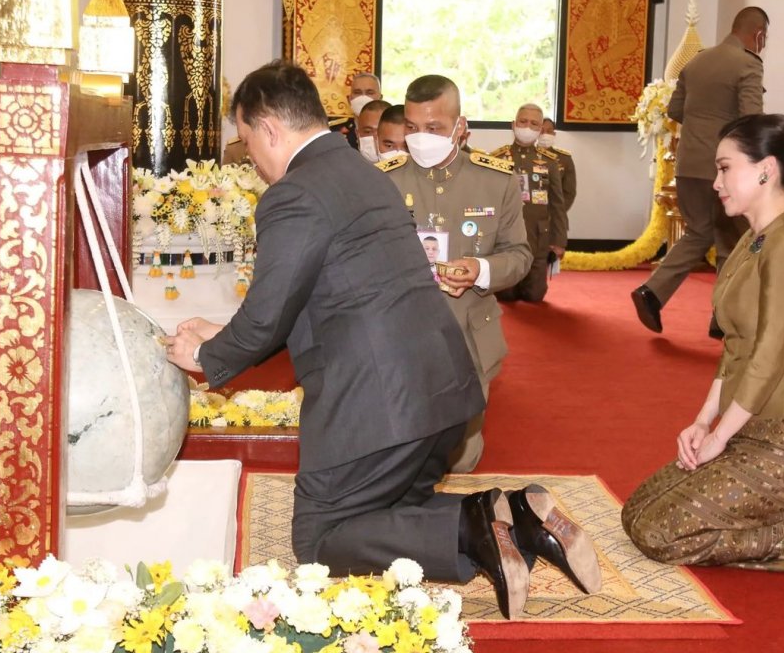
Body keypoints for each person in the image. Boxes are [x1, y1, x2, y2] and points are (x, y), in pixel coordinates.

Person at [164, 60, 600, 617]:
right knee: (389, 514)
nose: (252, 160)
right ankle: (517, 516)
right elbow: (329, 297)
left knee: (320, 539)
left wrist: (205, 354)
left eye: (249, 143)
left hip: (382, 409)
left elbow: (273, 312)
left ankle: (477, 526)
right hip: (441, 393)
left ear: (269, 128)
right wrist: (226, 331)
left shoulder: (295, 193)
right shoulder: (361, 172)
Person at [623, 114, 784, 568]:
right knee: (637, 513)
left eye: (724, 167)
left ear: (766, 169)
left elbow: (770, 354)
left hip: (780, 435)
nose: (715, 182)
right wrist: (702, 422)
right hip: (749, 425)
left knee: (660, 533)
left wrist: (721, 435)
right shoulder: (752, 239)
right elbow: (736, 348)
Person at [379, 75, 533, 473]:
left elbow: (519, 256)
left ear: (460, 128)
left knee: (459, 460)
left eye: (434, 129)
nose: (420, 138)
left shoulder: (495, 181)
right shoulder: (385, 179)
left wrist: (481, 269)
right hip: (401, 332)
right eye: (412, 128)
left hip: (468, 331)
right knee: (401, 457)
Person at [632, 6, 770, 336]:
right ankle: (722, 317)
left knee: (700, 232)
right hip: (726, 169)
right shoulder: (747, 65)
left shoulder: (697, 61)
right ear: (758, 35)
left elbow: (675, 109)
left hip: (690, 164)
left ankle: (652, 291)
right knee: (734, 240)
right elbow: (750, 117)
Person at [495, 104, 568, 303]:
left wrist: (559, 240)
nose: (527, 127)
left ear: (539, 130)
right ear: (513, 124)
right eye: (523, 121)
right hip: (505, 237)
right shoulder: (496, 159)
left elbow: (557, 204)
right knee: (506, 295)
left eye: (534, 124)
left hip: (538, 236)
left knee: (535, 296)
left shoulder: (550, 161)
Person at [329, 71, 382, 148]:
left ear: (380, 98)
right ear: (349, 99)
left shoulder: (390, 129)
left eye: (369, 93)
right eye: (357, 92)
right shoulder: (334, 131)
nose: (363, 97)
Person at [539, 117, 577, 213]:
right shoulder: (527, 155)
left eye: (549, 131)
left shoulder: (564, 158)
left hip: (555, 216)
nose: (545, 134)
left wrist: (557, 213)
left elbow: (569, 192)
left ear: (554, 134)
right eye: (541, 131)